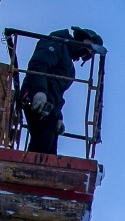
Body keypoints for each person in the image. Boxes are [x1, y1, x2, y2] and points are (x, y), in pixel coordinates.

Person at [20, 26, 106, 155]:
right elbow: (39, 65)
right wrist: (39, 91)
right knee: (43, 138)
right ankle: (31, 167)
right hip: (35, 95)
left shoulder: (69, 68)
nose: (88, 53)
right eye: (90, 47)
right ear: (82, 38)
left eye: (91, 52)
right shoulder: (57, 43)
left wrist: (58, 117)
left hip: (49, 103)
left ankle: (43, 169)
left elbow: (58, 93)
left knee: (51, 143)